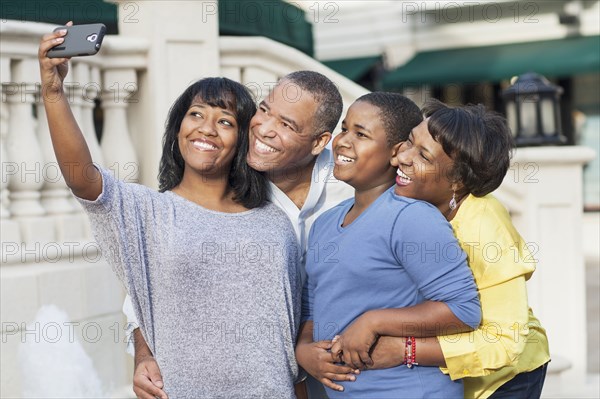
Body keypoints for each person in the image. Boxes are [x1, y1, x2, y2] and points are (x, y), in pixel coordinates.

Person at [39, 27, 301, 397]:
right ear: (178, 129)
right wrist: (53, 91)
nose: (207, 129)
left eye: (225, 121)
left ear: (242, 139)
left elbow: (291, 334)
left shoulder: (275, 221)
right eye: (196, 114)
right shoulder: (149, 212)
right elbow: (83, 180)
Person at [129, 71, 354, 398]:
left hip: (349, 374)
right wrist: (144, 356)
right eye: (264, 110)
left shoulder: (349, 188)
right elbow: (149, 282)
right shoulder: (223, 183)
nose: (264, 129)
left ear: (320, 142)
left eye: (286, 125)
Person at [344, 99, 551, 399]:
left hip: (505, 380)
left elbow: (505, 343)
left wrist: (406, 350)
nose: (401, 158)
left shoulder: (485, 225)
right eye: (409, 143)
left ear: (456, 181)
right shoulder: (405, 201)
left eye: (423, 156)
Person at [296, 92, 482, 398]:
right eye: (344, 129)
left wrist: (373, 322)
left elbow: (463, 311)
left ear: (395, 152)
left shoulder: (412, 217)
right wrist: (304, 351)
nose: (342, 141)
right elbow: (312, 307)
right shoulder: (324, 224)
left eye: (361, 134)